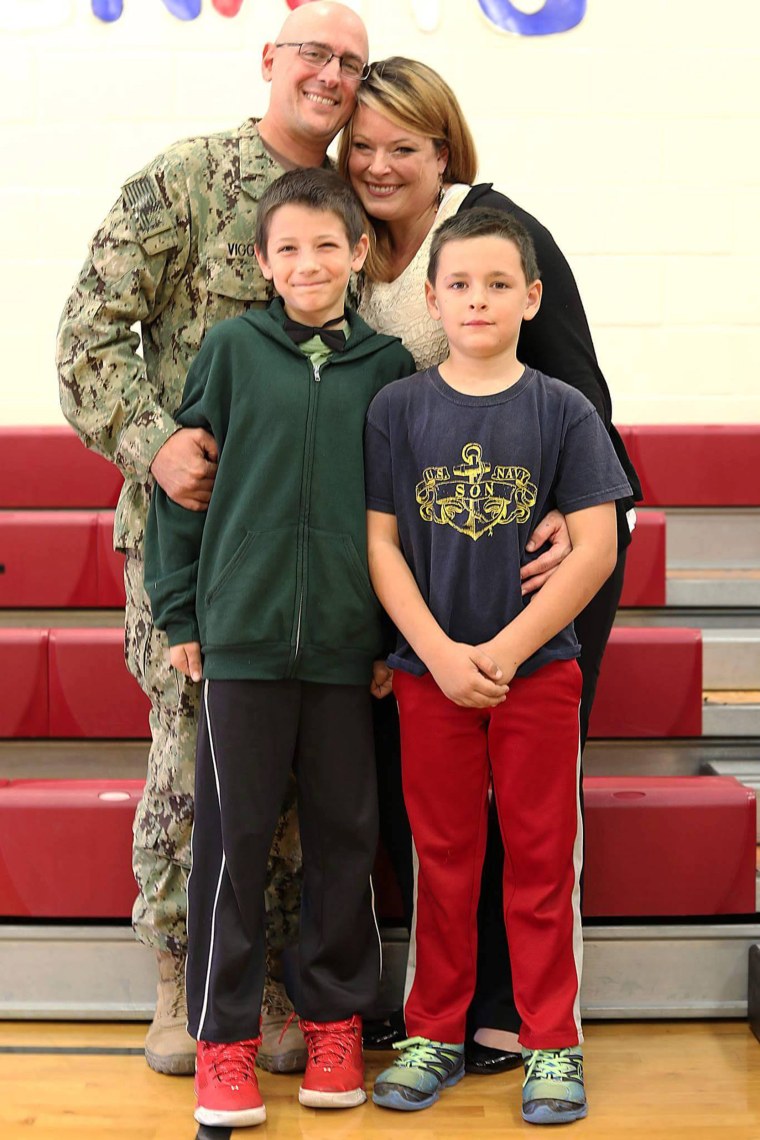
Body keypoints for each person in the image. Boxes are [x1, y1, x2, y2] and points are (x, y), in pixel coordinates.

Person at [56, 1, 371, 1078]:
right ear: (271, 61)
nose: (331, 75)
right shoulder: (184, 179)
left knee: (292, 776)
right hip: (193, 541)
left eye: (350, 63)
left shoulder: (353, 208)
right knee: (197, 758)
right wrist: (157, 444)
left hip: (315, 555)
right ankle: (180, 979)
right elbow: (85, 336)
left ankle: (270, 980)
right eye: (314, 54)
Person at [338, 55, 641, 1072]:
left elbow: (577, 382)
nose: (381, 165)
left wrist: (569, 506)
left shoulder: (495, 228)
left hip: (534, 547)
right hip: (422, 559)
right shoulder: (352, 247)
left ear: (443, 149)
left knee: (529, 817)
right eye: (364, 145)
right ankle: (436, 1010)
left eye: (405, 147)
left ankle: (520, 1017)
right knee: (425, 811)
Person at [144, 166, 415, 1129]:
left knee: (347, 840)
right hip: (242, 645)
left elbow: (404, 519)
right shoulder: (230, 350)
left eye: (327, 246)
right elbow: (181, 485)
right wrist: (181, 613)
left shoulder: (387, 371)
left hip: (348, 650)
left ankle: (336, 1022)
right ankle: (224, 1044)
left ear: (358, 256)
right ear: (262, 262)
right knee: (233, 843)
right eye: (288, 248)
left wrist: (392, 635)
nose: (308, 263)